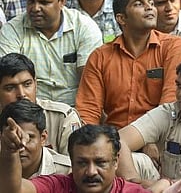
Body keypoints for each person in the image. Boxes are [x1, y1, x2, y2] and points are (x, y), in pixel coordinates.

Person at [76, 0, 181, 128]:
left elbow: (170, 101)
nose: (149, 7)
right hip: (114, 136)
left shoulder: (172, 46)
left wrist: (144, 135)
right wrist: (90, 138)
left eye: (151, 3)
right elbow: (88, 109)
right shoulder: (100, 57)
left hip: (161, 132)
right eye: (139, 4)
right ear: (121, 18)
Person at [0, 0, 102, 105]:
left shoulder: (84, 27)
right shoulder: (12, 30)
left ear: (62, 1)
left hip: (75, 109)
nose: (35, 8)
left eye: (44, 2)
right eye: (31, 1)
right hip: (28, 109)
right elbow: (9, 81)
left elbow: (90, 84)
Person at [0, 123, 148, 193]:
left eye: (100, 163)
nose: (91, 172)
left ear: (115, 162)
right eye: (82, 163)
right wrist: (10, 151)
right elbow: (14, 190)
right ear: (71, 162)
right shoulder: (56, 187)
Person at [0, 53, 83, 155]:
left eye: (27, 84)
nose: (21, 94)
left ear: (36, 84)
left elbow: (76, 161)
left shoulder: (62, 117)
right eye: (10, 88)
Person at [0, 100, 70, 177]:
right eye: (13, 139)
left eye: (29, 138)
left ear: (43, 138)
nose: (20, 148)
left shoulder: (67, 172)